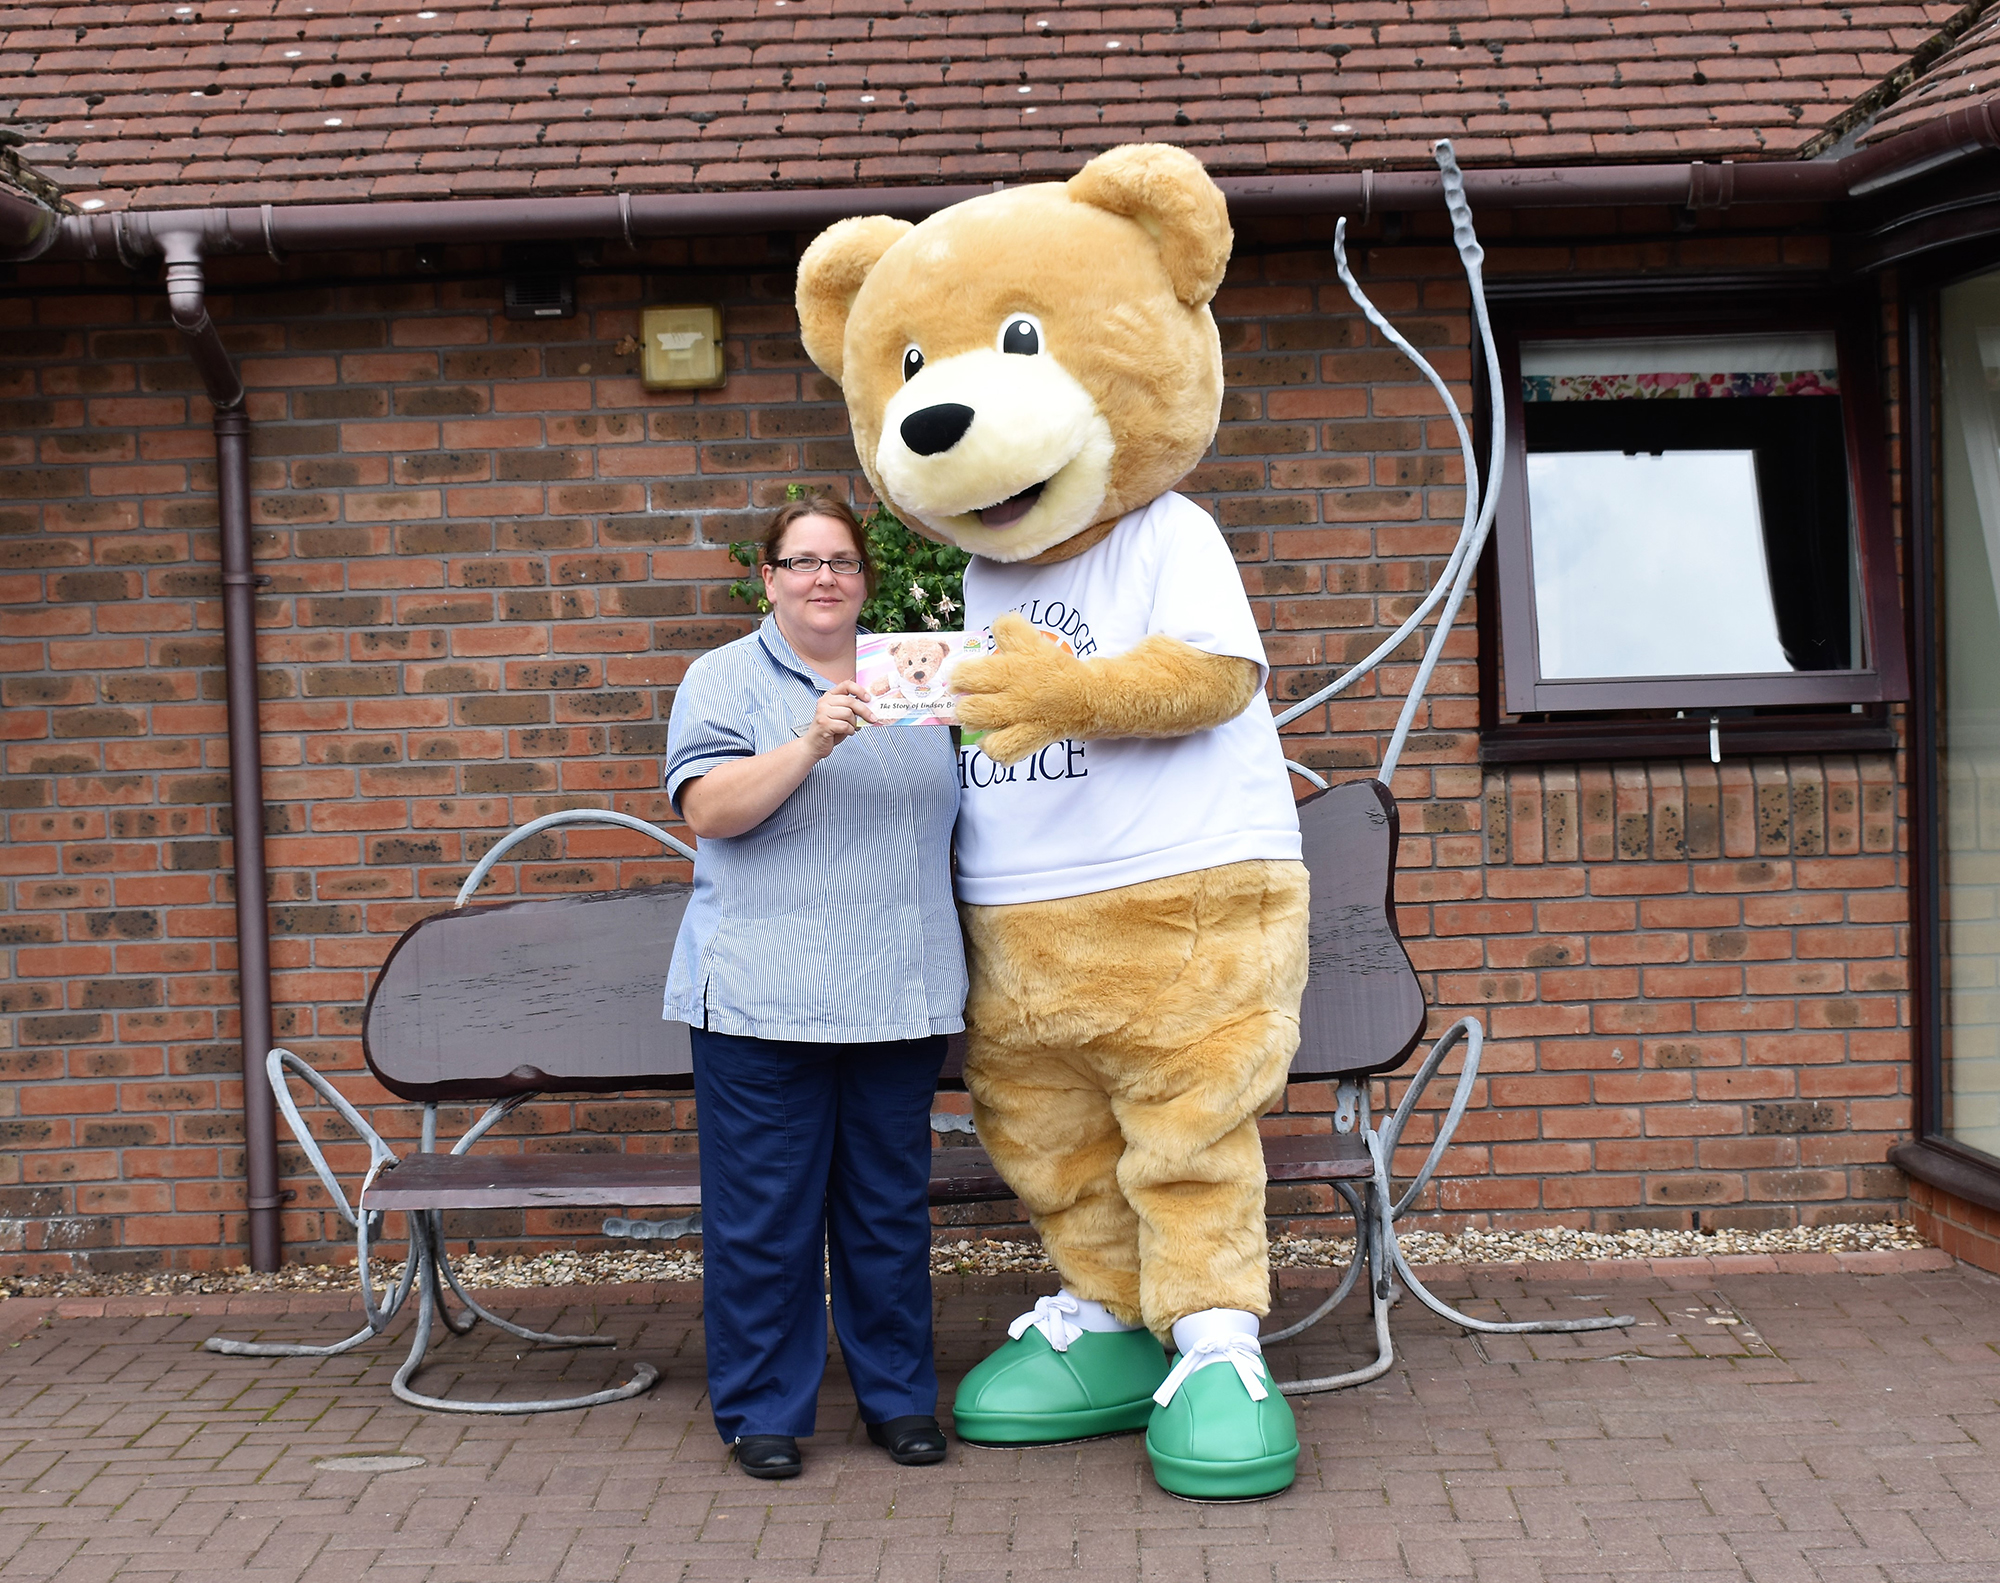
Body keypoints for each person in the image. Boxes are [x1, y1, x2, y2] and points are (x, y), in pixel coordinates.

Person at [661, 496, 966, 1480]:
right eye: (800, 561)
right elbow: (710, 808)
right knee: (766, 1218)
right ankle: (763, 1410)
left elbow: (970, 808)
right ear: (767, 577)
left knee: (886, 1213)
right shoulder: (723, 678)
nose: (821, 577)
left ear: (865, 579)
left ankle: (898, 1400)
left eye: (839, 560)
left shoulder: (917, 670)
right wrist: (809, 741)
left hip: (897, 988)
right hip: (766, 997)